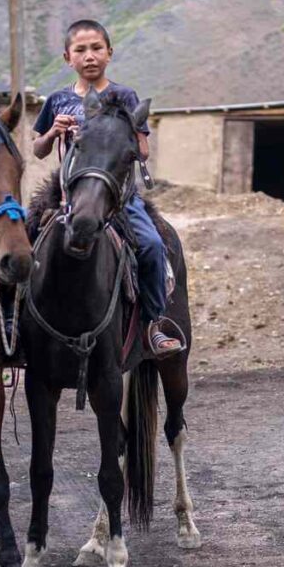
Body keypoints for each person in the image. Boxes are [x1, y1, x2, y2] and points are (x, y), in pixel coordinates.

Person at [32, 19, 182, 358]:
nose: (89, 56)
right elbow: (38, 150)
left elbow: (142, 150)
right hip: (65, 197)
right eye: (81, 50)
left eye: (97, 48)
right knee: (24, 242)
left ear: (109, 53)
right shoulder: (57, 100)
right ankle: (16, 324)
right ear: (67, 57)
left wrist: (120, 132)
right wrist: (54, 132)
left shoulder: (125, 96)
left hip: (116, 197)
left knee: (152, 245)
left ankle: (152, 323)